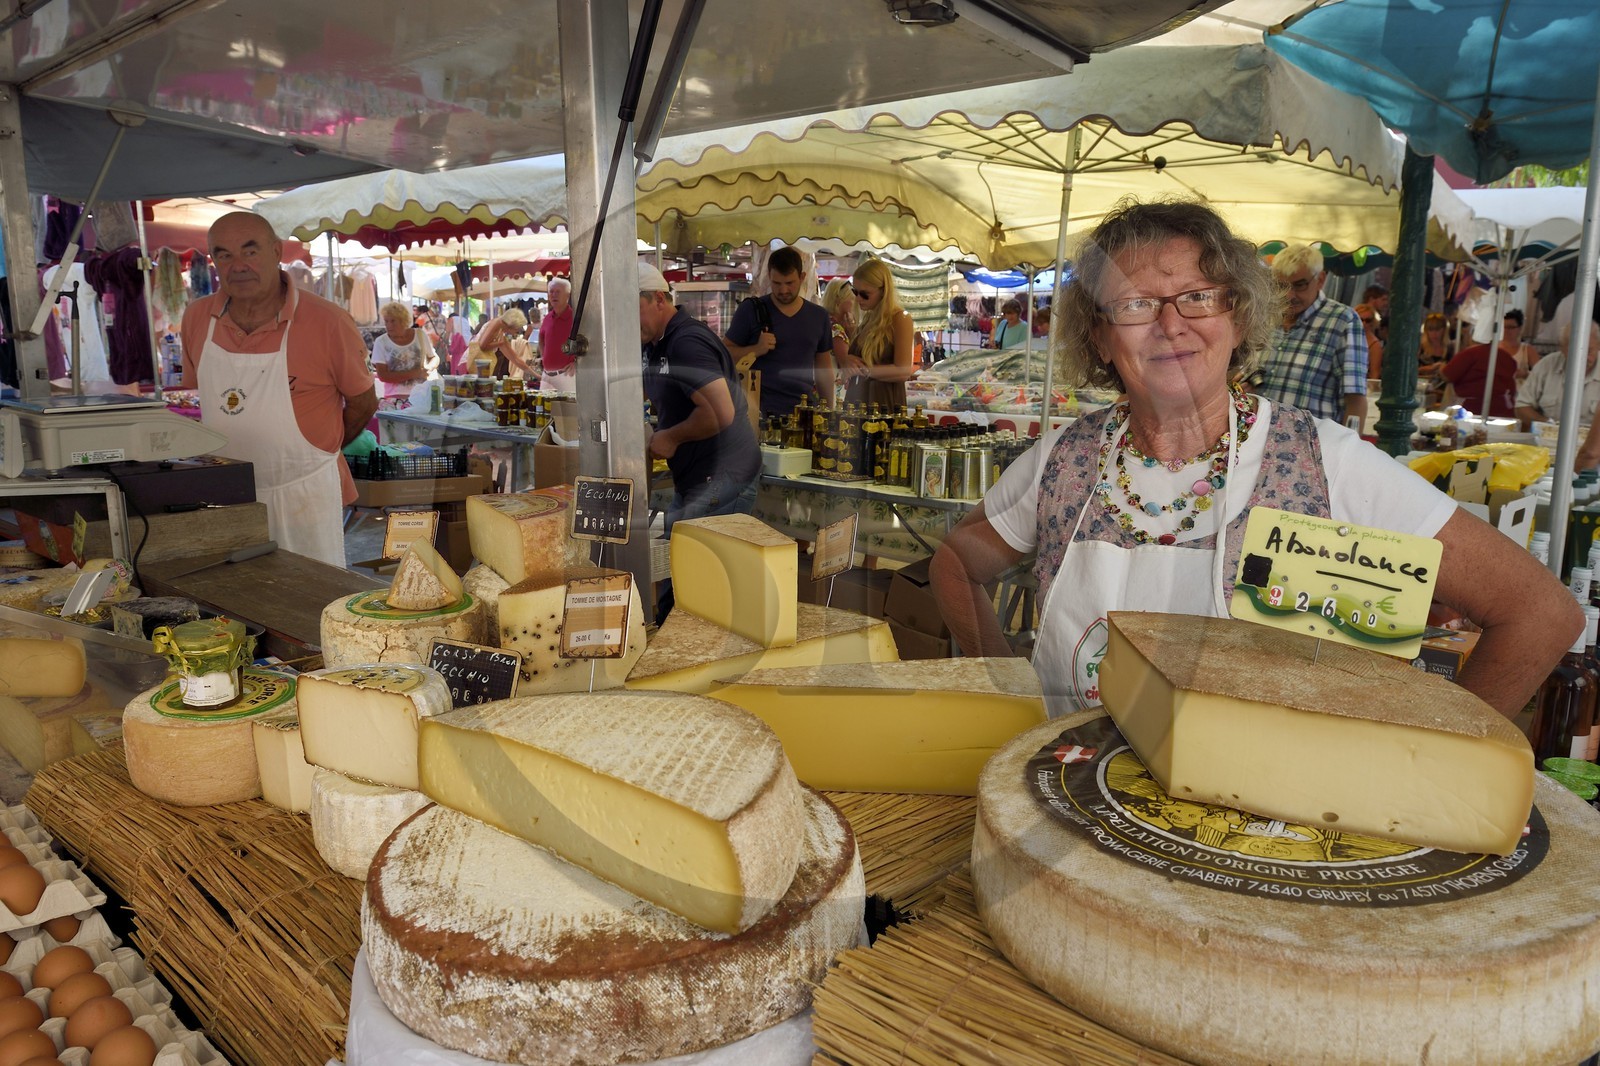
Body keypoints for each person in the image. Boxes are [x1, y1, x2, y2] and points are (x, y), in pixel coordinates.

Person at [928, 198, 1578, 719]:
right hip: (1073, 816)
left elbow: (1541, 614)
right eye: (1134, 305)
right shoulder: (1061, 463)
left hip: (1258, 852)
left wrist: (1432, 762)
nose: (1170, 323)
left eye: (1198, 297)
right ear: (1099, 335)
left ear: (1237, 317)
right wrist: (1008, 691)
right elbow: (955, 564)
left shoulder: (1327, 465)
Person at [180, 211, 377, 568]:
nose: (238, 265)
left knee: (309, 601)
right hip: (226, 496)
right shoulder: (196, 318)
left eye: (250, 251)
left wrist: (323, 449)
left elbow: (364, 401)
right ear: (213, 262)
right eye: (224, 254)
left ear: (276, 251)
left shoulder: (328, 322)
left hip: (304, 494)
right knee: (234, 604)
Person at [639, 260, 760, 533]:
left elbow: (720, 411)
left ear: (659, 299)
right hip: (697, 477)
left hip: (723, 477)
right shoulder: (655, 343)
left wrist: (671, 437)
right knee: (676, 567)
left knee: (690, 571)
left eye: (633, 310)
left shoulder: (686, 342)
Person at [1256, 244, 1368, 425]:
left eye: (1300, 285)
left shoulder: (1342, 320)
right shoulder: (1268, 316)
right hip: (1260, 439)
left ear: (1321, 279)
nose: (1289, 295)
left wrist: (1350, 447)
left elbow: (1355, 399)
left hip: (1313, 446)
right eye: (1281, 286)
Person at [723, 247, 833, 419]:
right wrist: (755, 349)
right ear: (769, 277)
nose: (783, 290)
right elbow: (724, 353)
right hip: (756, 413)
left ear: (802, 277)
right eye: (777, 283)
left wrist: (829, 412)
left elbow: (823, 370)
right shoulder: (751, 310)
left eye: (789, 283)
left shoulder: (819, 316)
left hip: (802, 414)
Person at [838, 260, 915, 410]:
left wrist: (863, 369)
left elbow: (903, 371)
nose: (858, 298)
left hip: (883, 403)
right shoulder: (869, 318)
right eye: (855, 292)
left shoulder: (900, 318)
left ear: (883, 291)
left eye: (865, 294)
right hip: (859, 400)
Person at [1516, 319, 1600, 428]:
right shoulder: (1547, 365)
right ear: (1562, 348)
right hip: (1548, 440)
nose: (1581, 358)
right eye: (1574, 352)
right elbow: (1522, 406)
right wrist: (1549, 426)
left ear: (1598, 346)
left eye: (1588, 351)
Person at [1441, 310, 1523, 417]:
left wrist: (1440, 368)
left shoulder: (1470, 353)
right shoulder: (1507, 356)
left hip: (1472, 411)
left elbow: (1447, 376)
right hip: (1505, 411)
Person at [370, 300, 439, 411]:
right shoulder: (381, 342)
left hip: (422, 396)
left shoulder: (420, 335)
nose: (389, 325)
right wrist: (416, 373)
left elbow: (434, 357)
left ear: (403, 321)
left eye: (393, 321)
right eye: (386, 321)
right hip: (395, 400)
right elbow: (382, 375)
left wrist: (429, 368)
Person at [819, 278, 858, 407]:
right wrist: (852, 333)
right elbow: (847, 364)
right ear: (839, 300)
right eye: (851, 298)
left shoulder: (826, 322)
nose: (854, 302)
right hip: (832, 389)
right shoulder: (836, 329)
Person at [468, 308, 533, 378]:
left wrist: (536, 375)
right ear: (512, 325)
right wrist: (500, 343)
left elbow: (516, 359)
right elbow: (482, 346)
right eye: (517, 329)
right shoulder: (497, 323)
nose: (516, 332)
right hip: (471, 362)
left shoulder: (501, 332)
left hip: (479, 365)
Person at [537, 277, 576, 393]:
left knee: (568, 410)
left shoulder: (575, 318)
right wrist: (544, 357)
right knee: (542, 409)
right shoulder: (547, 318)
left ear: (567, 295)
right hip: (546, 375)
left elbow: (591, 341)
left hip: (567, 376)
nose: (554, 295)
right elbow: (541, 339)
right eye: (551, 292)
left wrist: (578, 361)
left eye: (558, 292)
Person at [1354, 302, 1384, 381]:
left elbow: (1375, 375)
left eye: (1368, 320)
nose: (1364, 323)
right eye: (1361, 319)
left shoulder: (1374, 345)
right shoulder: (1347, 336)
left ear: (1373, 322)